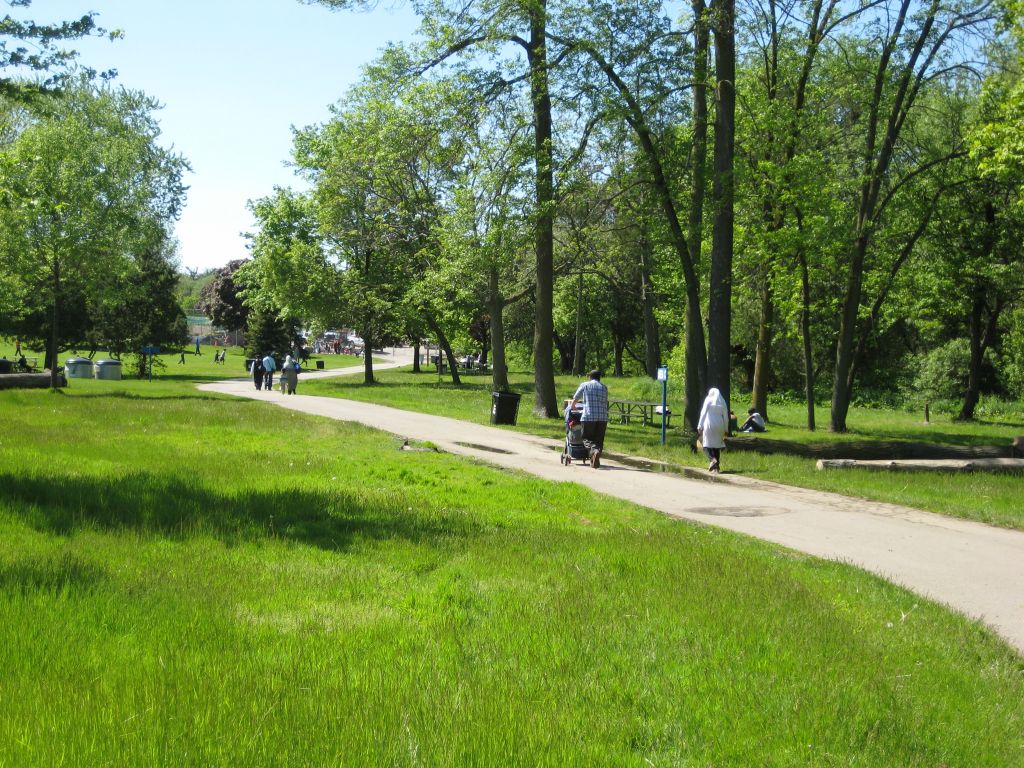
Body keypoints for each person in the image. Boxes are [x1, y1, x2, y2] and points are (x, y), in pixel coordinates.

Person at [569, 369, 609, 468]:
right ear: (599, 377)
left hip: (589, 416)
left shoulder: (585, 385)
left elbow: (576, 397)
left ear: (590, 377)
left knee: (586, 438)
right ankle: (595, 459)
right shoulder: (604, 387)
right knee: (599, 439)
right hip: (603, 417)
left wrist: (573, 406)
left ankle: (594, 452)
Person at [697, 387, 729, 473]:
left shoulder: (708, 399)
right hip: (720, 424)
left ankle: (712, 459)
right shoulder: (722, 401)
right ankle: (716, 468)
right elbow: (726, 417)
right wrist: (726, 428)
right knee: (717, 446)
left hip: (709, 423)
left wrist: (700, 426)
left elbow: (703, 413)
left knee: (706, 445)